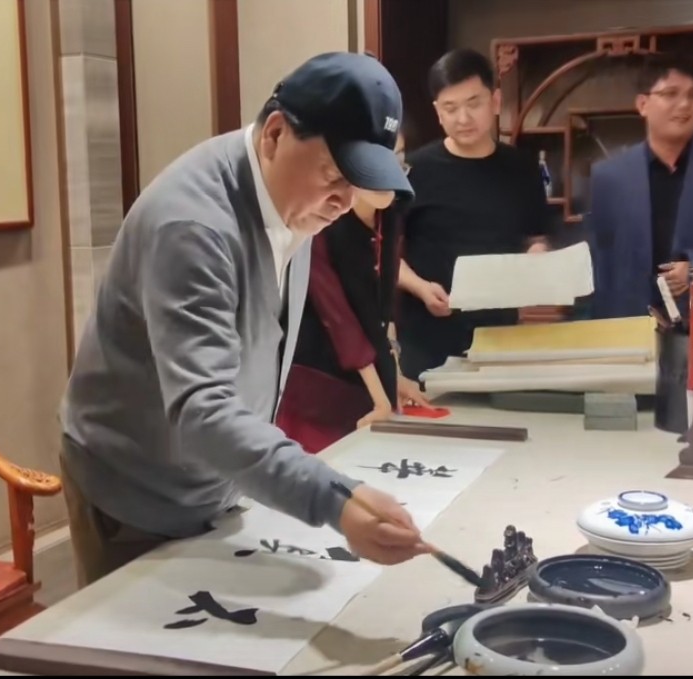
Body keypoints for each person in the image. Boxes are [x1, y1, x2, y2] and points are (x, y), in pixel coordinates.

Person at [58, 52, 429, 587]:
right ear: (275, 134)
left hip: (215, 480)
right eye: (333, 176)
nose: (343, 202)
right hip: (135, 484)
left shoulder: (292, 199)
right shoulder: (193, 226)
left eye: (356, 184)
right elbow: (203, 410)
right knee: (135, 632)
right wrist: (335, 500)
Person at [395, 48, 553, 381]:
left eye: (473, 103)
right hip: (428, 337)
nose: (463, 118)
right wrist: (420, 287)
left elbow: (536, 235)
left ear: (495, 101)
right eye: (450, 108)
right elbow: (382, 251)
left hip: (499, 336)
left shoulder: (522, 168)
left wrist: (537, 254)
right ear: (438, 112)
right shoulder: (413, 170)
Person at [276, 131, 431, 454]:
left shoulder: (388, 213)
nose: (390, 175)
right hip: (316, 384)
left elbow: (383, 312)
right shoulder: (319, 221)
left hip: (363, 382)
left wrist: (394, 380)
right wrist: (381, 399)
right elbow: (341, 322)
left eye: (399, 159)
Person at [585, 53, 693, 322]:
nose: (684, 104)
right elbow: (595, 259)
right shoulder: (608, 175)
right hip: (625, 323)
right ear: (643, 104)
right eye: (670, 93)